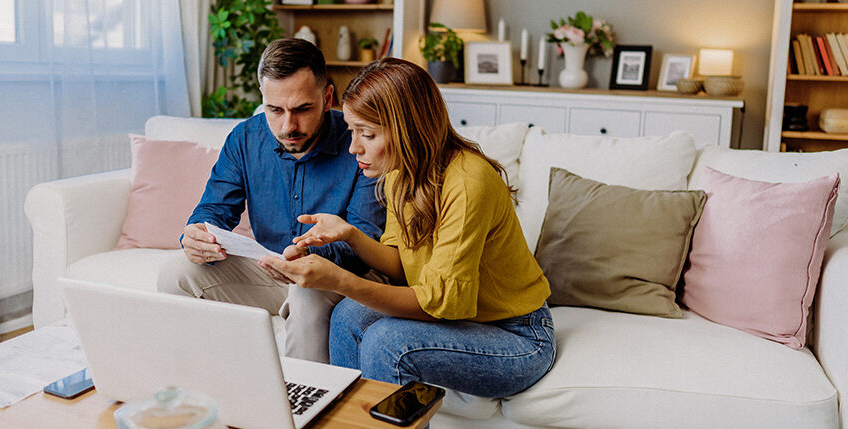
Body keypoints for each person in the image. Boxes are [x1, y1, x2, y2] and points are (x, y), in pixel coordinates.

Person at [259, 58, 555, 398]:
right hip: (463, 323)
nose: (354, 147)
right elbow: (403, 266)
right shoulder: (399, 175)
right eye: (353, 132)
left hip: (519, 337)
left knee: (387, 343)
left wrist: (341, 280)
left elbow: (440, 303)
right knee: (347, 316)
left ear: (408, 129)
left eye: (367, 134)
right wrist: (350, 235)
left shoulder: (469, 182)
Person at [156, 38, 385, 364]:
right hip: (273, 268)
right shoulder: (245, 138)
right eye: (274, 110)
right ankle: (210, 388)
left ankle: (305, 406)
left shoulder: (359, 142)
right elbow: (214, 210)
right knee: (177, 272)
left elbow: (364, 240)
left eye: (302, 109)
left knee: (307, 293)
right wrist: (197, 236)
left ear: (327, 97)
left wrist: (306, 256)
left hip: (342, 274)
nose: (288, 126)